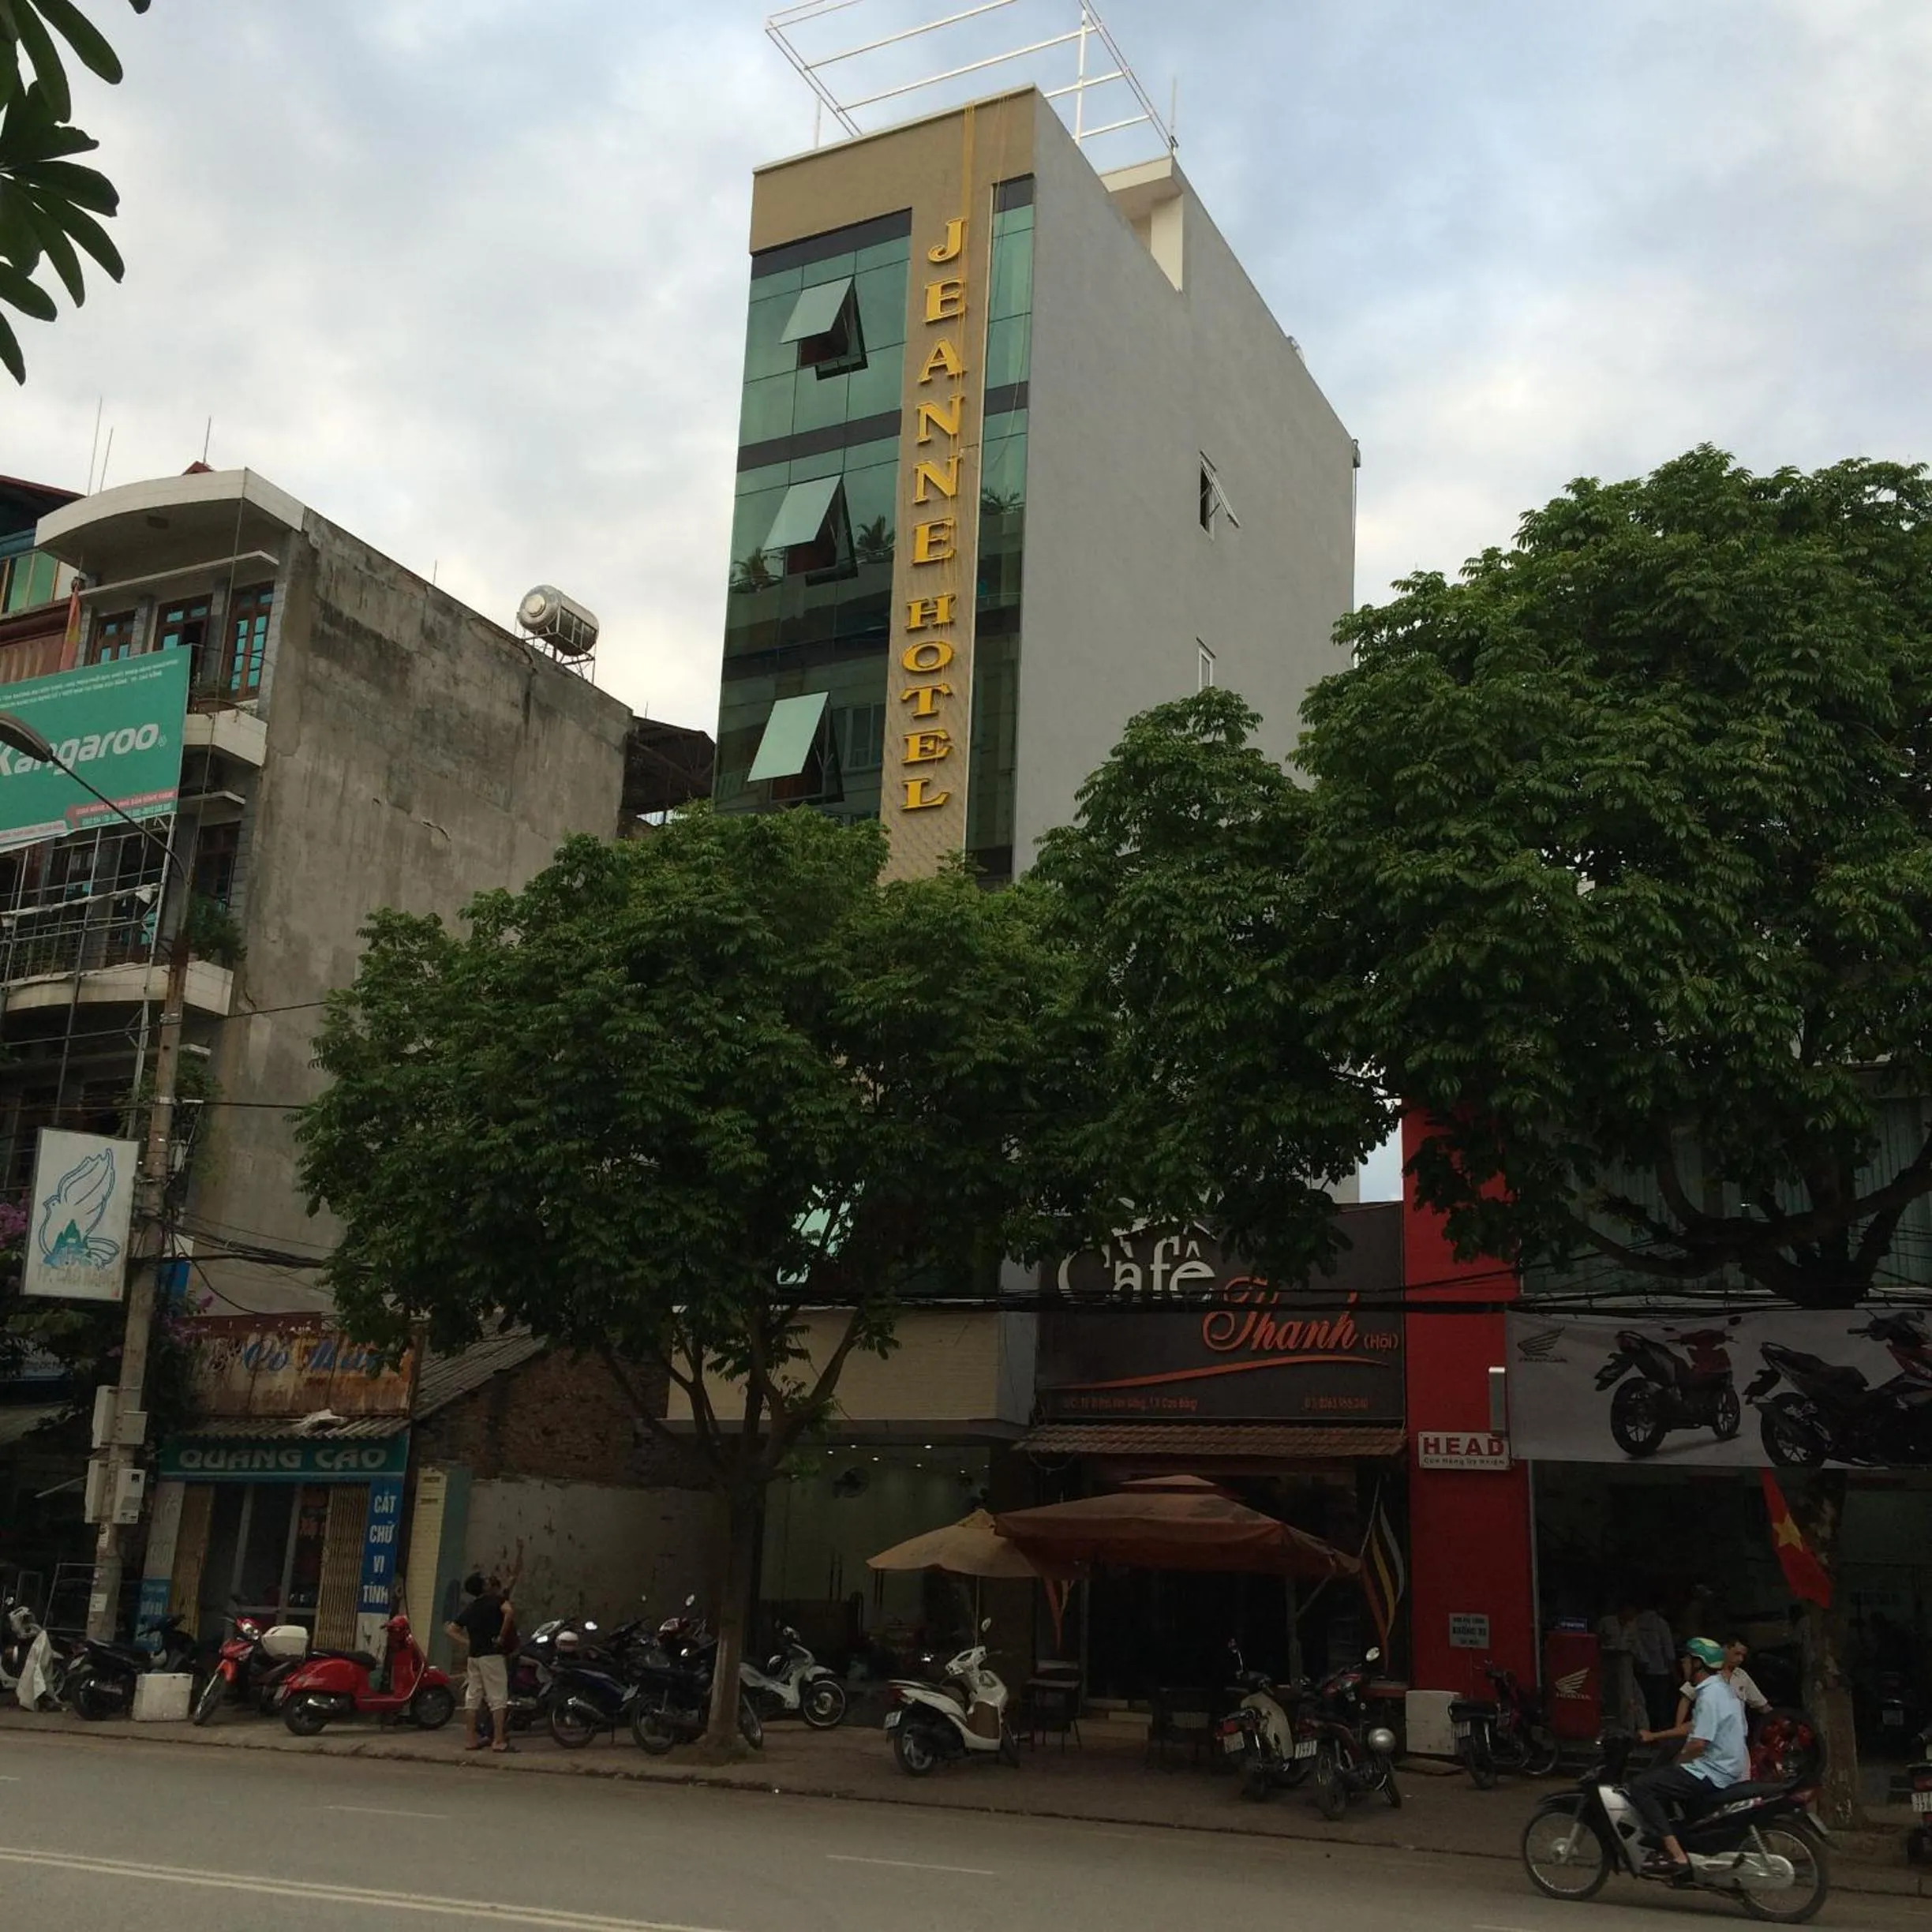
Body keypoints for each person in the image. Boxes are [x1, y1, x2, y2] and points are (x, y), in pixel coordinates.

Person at [1628, 1637, 1748, 1879]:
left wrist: (1678, 1762)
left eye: (1686, 1659)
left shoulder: (1709, 1695)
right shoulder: (1722, 1689)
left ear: (1697, 1664)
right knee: (1668, 1781)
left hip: (1714, 1771)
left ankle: (1677, 1856)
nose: (1682, 1664)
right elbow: (1695, 1725)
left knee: (1641, 1785)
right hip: (1730, 1766)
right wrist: (1655, 1736)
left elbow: (1698, 1743)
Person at [446, 1570, 514, 1754]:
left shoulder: (471, 1608)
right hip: (492, 1655)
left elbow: (451, 1629)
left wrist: (467, 1642)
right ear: (484, 1586)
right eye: (485, 1580)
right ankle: (498, 1740)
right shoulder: (496, 1601)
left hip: (474, 1656)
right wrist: (501, 1636)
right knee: (498, 1698)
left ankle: (470, 1740)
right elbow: (509, 1613)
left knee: (473, 1697)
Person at [1597, 1601, 1645, 1733]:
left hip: (1625, 1662)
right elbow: (1597, 1640)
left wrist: (1643, 1661)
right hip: (1606, 1662)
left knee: (1627, 1696)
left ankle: (1628, 1727)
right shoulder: (1606, 1622)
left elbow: (1636, 1645)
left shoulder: (1633, 1625)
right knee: (1604, 1694)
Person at [1631, 1600, 1678, 1731]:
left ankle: (1645, 1731)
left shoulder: (1635, 1622)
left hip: (1642, 1671)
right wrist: (1675, 1674)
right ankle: (1660, 1735)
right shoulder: (1661, 1624)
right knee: (1661, 1706)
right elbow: (1669, 1652)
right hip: (1661, 1671)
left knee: (1644, 1705)